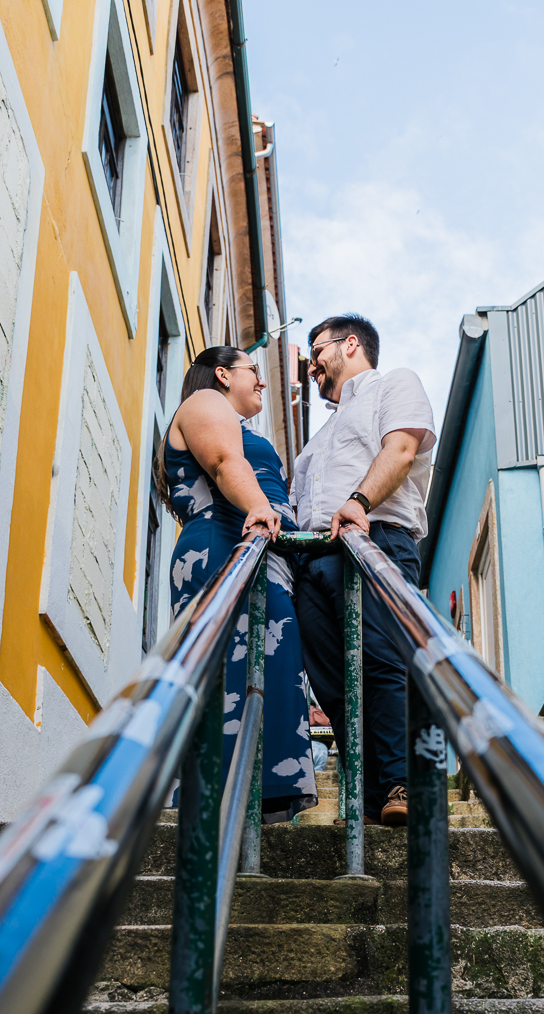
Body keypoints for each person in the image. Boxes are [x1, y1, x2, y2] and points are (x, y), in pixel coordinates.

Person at [157, 345, 316, 821]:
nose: (262, 381)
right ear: (222, 374)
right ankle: (215, 809)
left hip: (257, 553)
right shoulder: (205, 404)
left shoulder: (233, 417)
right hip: (225, 547)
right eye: (254, 371)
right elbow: (226, 461)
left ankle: (250, 810)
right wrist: (260, 508)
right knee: (228, 676)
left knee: (265, 674)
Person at [291, 315, 435, 827]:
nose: (312, 364)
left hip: (374, 538)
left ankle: (400, 779)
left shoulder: (395, 384)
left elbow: (401, 449)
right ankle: (370, 794)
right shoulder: (320, 435)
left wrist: (358, 501)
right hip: (312, 558)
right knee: (331, 680)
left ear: (350, 344)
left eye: (317, 350)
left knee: (380, 660)